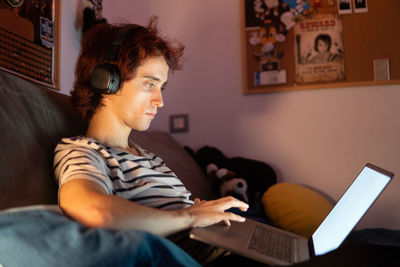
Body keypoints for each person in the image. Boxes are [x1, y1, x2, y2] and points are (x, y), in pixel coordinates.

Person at [53, 17, 249, 265]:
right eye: (149, 84)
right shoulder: (84, 151)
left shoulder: (149, 157)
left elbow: (183, 215)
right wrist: (189, 217)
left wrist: (200, 212)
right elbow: (93, 211)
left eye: (161, 88)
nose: (160, 101)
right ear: (106, 80)